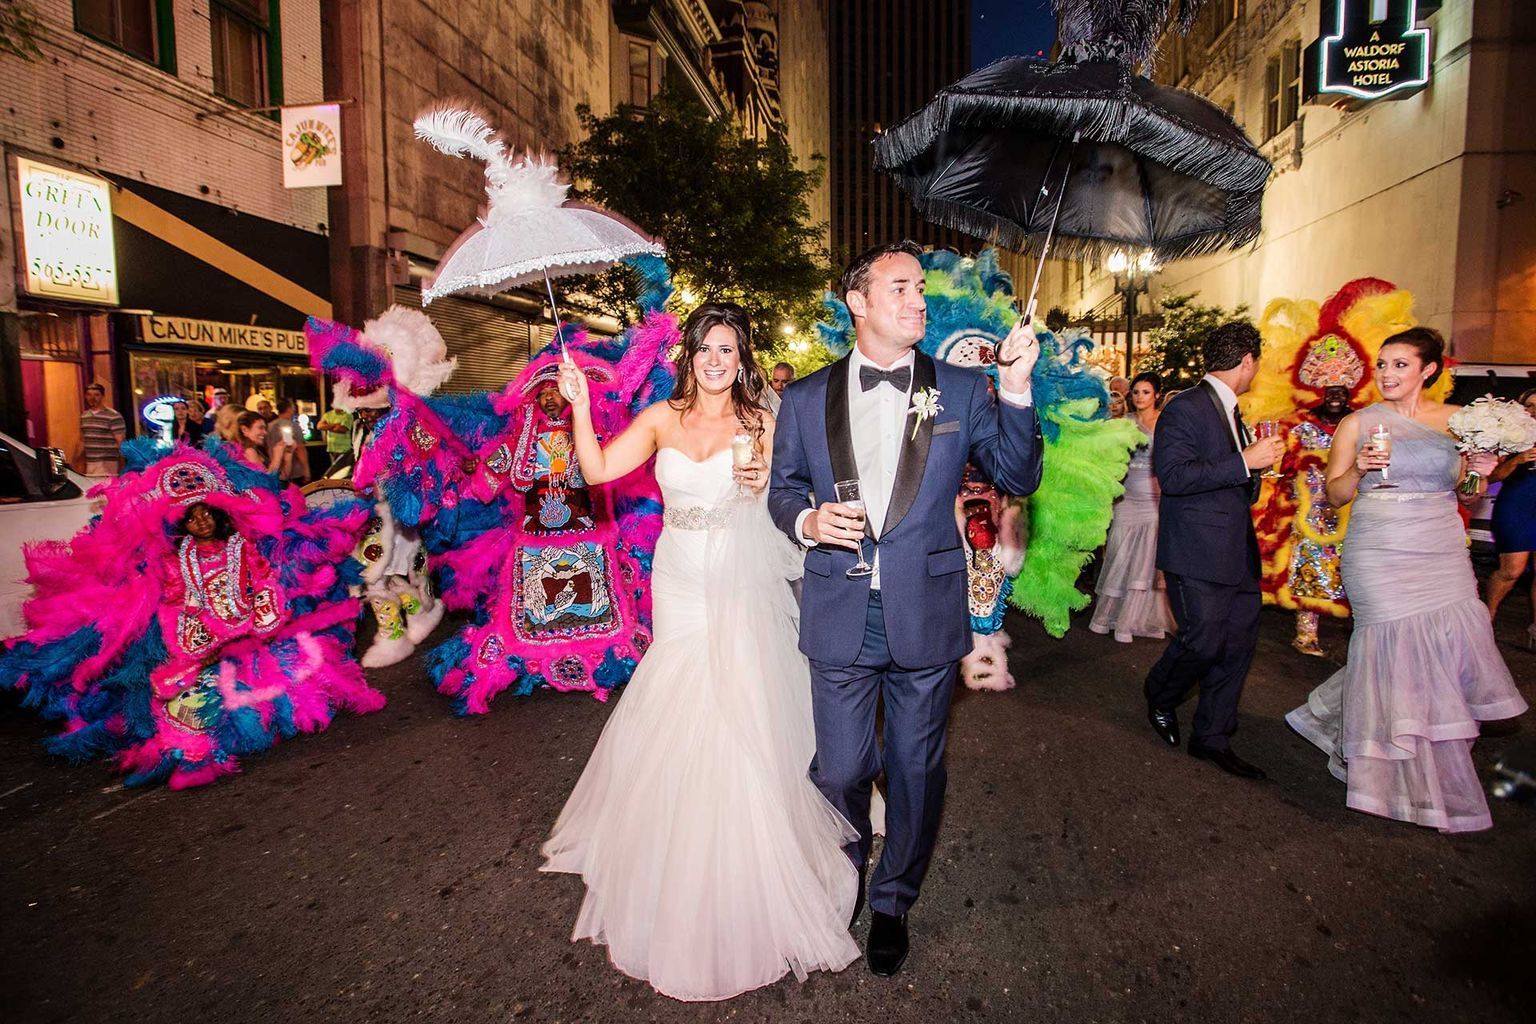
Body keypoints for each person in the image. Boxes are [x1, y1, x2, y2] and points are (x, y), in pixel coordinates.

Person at [541, 302, 861, 1001]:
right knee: (680, 693)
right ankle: (667, 855)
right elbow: (595, 471)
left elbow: (794, 497)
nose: (716, 359)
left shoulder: (764, 422)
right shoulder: (661, 418)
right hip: (679, 576)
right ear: (687, 356)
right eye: (705, 348)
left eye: (727, 348)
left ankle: (747, 858)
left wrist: (764, 488)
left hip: (740, 574)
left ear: (742, 357)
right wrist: (581, 405)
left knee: (739, 695)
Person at [769, 241, 1044, 977]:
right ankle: (843, 874)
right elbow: (783, 489)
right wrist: (805, 522)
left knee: (915, 767)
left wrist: (1014, 387)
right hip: (839, 609)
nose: (918, 301)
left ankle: (892, 901)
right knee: (841, 768)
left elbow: (1017, 471)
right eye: (900, 288)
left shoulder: (960, 389)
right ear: (857, 301)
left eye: (921, 289)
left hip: (926, 607)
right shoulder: (804, 398)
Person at [1287, 328, 1527, 832]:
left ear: (1429, 370)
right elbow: (1334, 495)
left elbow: (1467, 496)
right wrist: (1359, 470)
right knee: (1390, 649)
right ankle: (1384, 775)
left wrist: (1479, 471)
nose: (1387, 374)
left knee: (1451, 642)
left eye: (1400, 365)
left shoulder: (1458, 423)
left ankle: (1406, 748)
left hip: (1438, 546)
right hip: (1377, 548)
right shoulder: (1359, 422)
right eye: (1382, 365)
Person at [1143, 321, 1284, 779]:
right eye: (1257, 362)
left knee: (1238, 646)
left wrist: (1255, 468)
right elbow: (1177, 476)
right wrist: (1247, 460)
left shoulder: (1234, 412)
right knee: (1202, 641)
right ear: (1248, 362)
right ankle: (1160, 694)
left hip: (1237, 551)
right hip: (1196, 550)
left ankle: (1213, 737)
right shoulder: (1185, 407)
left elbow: (1233, 482)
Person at [1091, 371, 1174, 642]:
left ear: (1157, 395)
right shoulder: (1123, 423)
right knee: (1120, 551)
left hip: (1154, 496)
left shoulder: (1166, 423)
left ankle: (1130, 621)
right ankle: (1109, 617)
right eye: (1136, 392)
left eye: (1146, 392)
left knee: (1145, 559)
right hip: (1126, 496)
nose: (1139, 397)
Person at [1485, 387, 1536, 647]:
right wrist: (1518, 460)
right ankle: (1486, 621)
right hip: (1517, 507)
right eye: (1530, 405)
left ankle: (1535, 630)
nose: (1535, 411)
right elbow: (1491, 477)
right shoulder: (1509, 437)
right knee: (1511, 571)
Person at [77, 382, 125, 477]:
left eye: (96, 395)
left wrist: (122, 465)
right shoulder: (84, 416)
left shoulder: (113, 416)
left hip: (107, 463)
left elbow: (120, 442)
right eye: (89, 395)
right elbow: (82, 440)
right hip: (90, 462)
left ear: (103, 396)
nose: (92, 398)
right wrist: (76, 460)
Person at [237, 410, 295, 477]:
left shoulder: (257, 449)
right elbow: (266, 481)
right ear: (244, 430)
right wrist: (277, 457)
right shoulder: (249, 451)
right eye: (260, 428)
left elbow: (283, 477)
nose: (265, 432)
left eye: (265, 428)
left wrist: (289, 453)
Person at [316, 404, 353, 471]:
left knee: (342, 471)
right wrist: (335, 425)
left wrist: (327, 426)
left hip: (344, 449)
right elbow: (319, 426)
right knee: (334, 470)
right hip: (332, 448)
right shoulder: (328, 414)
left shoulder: (348, 415)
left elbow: (343, 429)